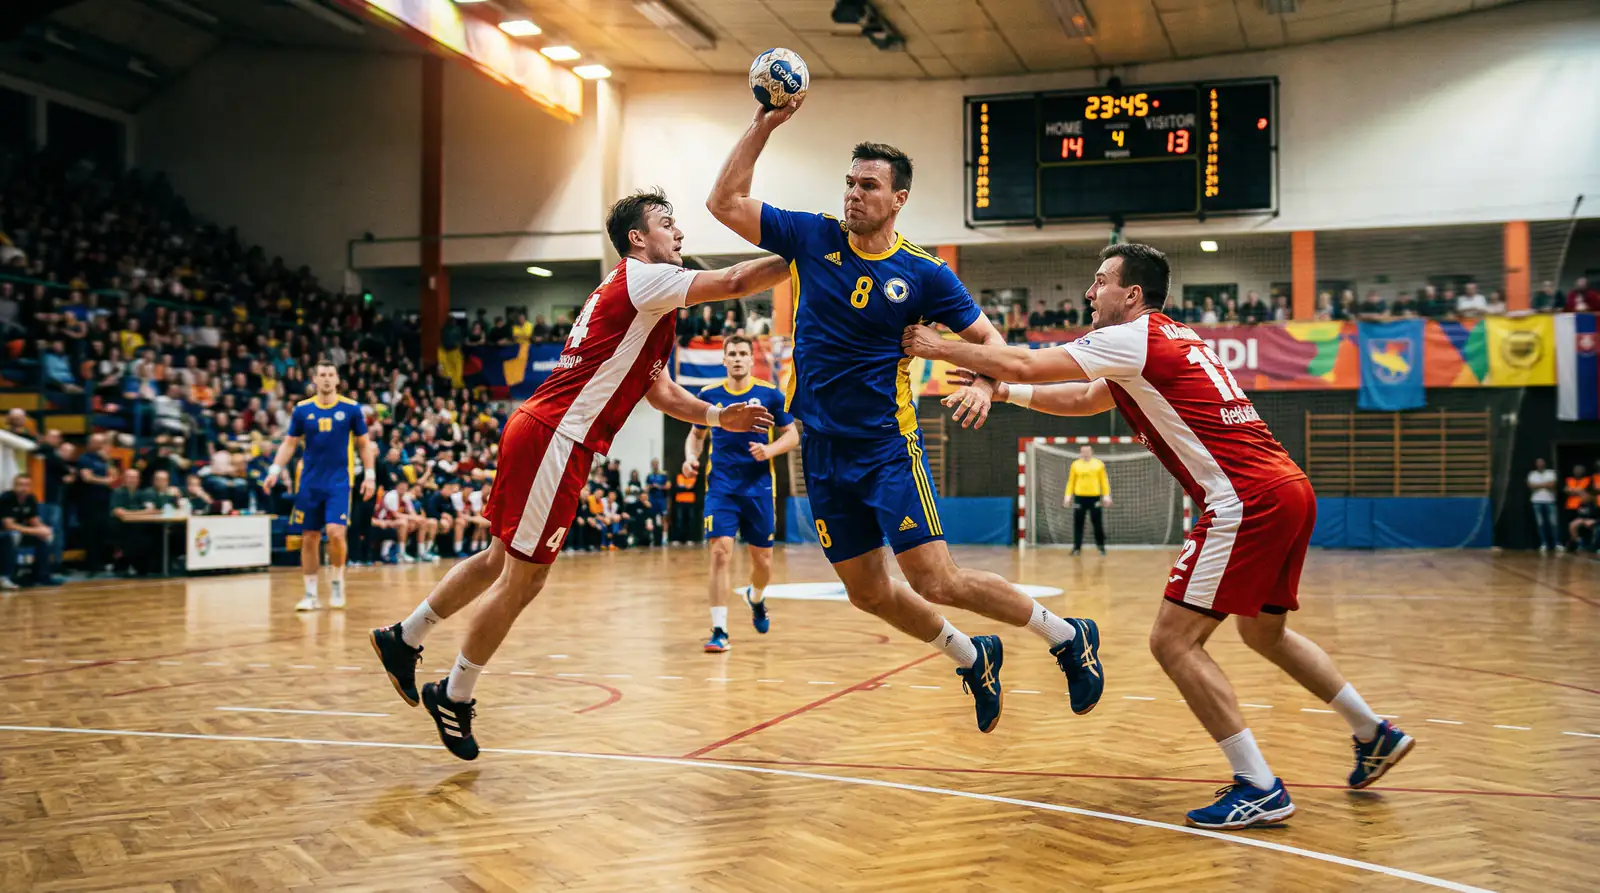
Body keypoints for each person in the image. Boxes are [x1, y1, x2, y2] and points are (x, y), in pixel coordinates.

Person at [903, 242, 1414, 830]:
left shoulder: (1133, 336)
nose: (1090, 293)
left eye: (1100, 282)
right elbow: (1086, 399)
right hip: (1286, 487)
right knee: (1265, 634)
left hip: (1244, 499)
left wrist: (936, 346)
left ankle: (1259, 785)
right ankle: (1373, 732)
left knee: (1173, 642)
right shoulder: (1170, 338)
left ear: (1132, 294)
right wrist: (1005, 390)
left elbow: (1021, 362)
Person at [706, 97, 1104, 735]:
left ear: (899, 199)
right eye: (850, 183)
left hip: (889, 448)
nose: (854, 195)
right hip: (823, 452)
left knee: (935, 581)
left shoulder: (924, 274)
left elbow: (992, 342)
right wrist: (763, 124)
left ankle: (1067, 636)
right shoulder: (813, 236)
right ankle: (973, 656)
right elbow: (724, 203)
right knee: (866, 593)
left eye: (868, 186)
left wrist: (981, 378)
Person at [369, 188, 786, 760]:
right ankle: (455, 693)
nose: (681, 234)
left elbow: (659, 392)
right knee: (523, 580)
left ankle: (404, 637)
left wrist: (717, 416)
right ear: (638, 239)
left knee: (498, 562)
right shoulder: (643, 279)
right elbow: (737, 281)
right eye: (668, 224)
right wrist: (809, 250)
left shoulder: (648, 302)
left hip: (544, 434)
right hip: (555, 439)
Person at [683, 334, 799, 651]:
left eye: (742, 353)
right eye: (731, 353)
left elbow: (792, 437)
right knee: (720, 552)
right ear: (724, 360)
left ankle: (755, 597)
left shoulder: (770, 395)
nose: (737, 358)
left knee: (763, 563)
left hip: (759, 489)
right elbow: (695, 436)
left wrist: (769, 449)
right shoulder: (709, 395)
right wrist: (691, 458)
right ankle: (719, 630)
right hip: (721, 487)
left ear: (751, 359)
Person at [263, 361, 378, 612]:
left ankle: (337, 582)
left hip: (339, 481)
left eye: (331, 375)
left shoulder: (351, 409)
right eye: (322, 375)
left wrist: (369, 475)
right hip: (310, 482)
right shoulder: (302, 410)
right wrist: (274, 470)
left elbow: (363, 444)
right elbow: (290, 443)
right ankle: (310, 594)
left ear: (337, 380)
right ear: (314, 380)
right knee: (309, 537)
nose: (326, 379)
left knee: (336, 533)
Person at [0, 474, 60, 588]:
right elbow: (9, 525)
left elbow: (34, 521)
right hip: (5, 533)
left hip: (21, 531)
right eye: (20, 485)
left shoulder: (30, 498)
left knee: (45, 536)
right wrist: (35, 531)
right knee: (12, 536)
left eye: (27, 485)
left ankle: (42, 575)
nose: (24, 488)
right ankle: (6, 576)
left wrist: (44, 529)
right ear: (14, 486)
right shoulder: (7, 498)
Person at [1065, 444, 1110, 556]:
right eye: (1083, 451)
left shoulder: (1098, 464)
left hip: (1094, 497)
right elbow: (1071, 481)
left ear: (1091, 452)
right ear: (1080, 453)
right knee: (1078, 523)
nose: (1085, 453)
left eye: (1087, 451)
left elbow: (1103, 480)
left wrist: (1106, 495)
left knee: (1097, 523)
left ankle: (1101, 547)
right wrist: (1068, 496)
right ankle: (1077, 548)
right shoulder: (1075, 465)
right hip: (1080, 498)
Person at [1528, 458, 1558, 553]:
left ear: (1544, 463)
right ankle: (1543, 543)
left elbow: (1552, 485)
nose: (1540, 464)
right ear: (1536, 464)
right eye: (1538, 463)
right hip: (1537, 501)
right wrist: (1545, 484)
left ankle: (1556, 543)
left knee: (1553, 523)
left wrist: (1539, 485)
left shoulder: (1551, 473)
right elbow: (1531, 486)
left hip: (1550, 500)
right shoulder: (1532, 474)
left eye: (1542, 462)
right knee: (1540, 524)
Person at [671, 465, 699, 544]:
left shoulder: (693, 477)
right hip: (680, 501)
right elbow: (676, 488)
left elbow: (693, 488)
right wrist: (686, 488)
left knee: (691, 521)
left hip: (690, 502)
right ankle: (677, 539)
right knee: (679, 521)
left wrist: (683, 487)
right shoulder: (678, 477)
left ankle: (690, 539)